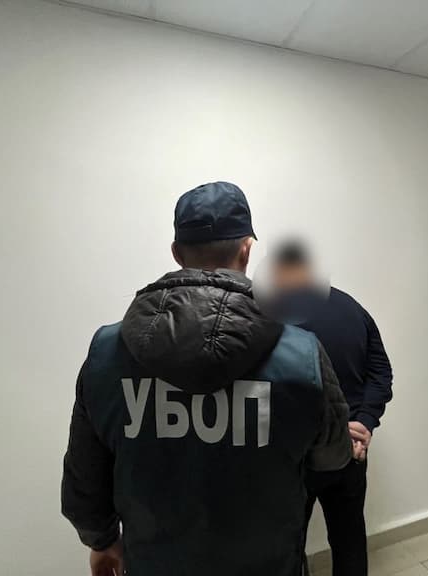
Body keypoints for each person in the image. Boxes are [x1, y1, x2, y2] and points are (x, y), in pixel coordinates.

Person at [61, 181, 355, 576]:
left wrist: (102, 540)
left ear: (176, 252)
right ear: (247, 250)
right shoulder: (302, 353)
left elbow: (84, 481)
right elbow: (332, 456)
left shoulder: (106, 352)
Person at [269, 240, 393, 576]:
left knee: (289, 543)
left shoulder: (270, 317)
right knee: (349, 536)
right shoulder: (353, 308)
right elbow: (381, 373)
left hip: (297, 457)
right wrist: (364, 422)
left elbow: (269, 388)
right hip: (351, 448)